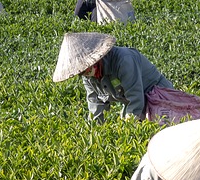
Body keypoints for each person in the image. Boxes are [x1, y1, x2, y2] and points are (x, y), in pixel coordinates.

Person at [52, 31, 189, 122]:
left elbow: (135, 96)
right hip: (134, 101)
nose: (84, 74)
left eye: (84, 69)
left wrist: (129, 125)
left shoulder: (124, 60)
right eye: (80, 72)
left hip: (159, 97)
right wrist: (94, 130)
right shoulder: (88, 76)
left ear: (94, 60)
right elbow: (95, 102)